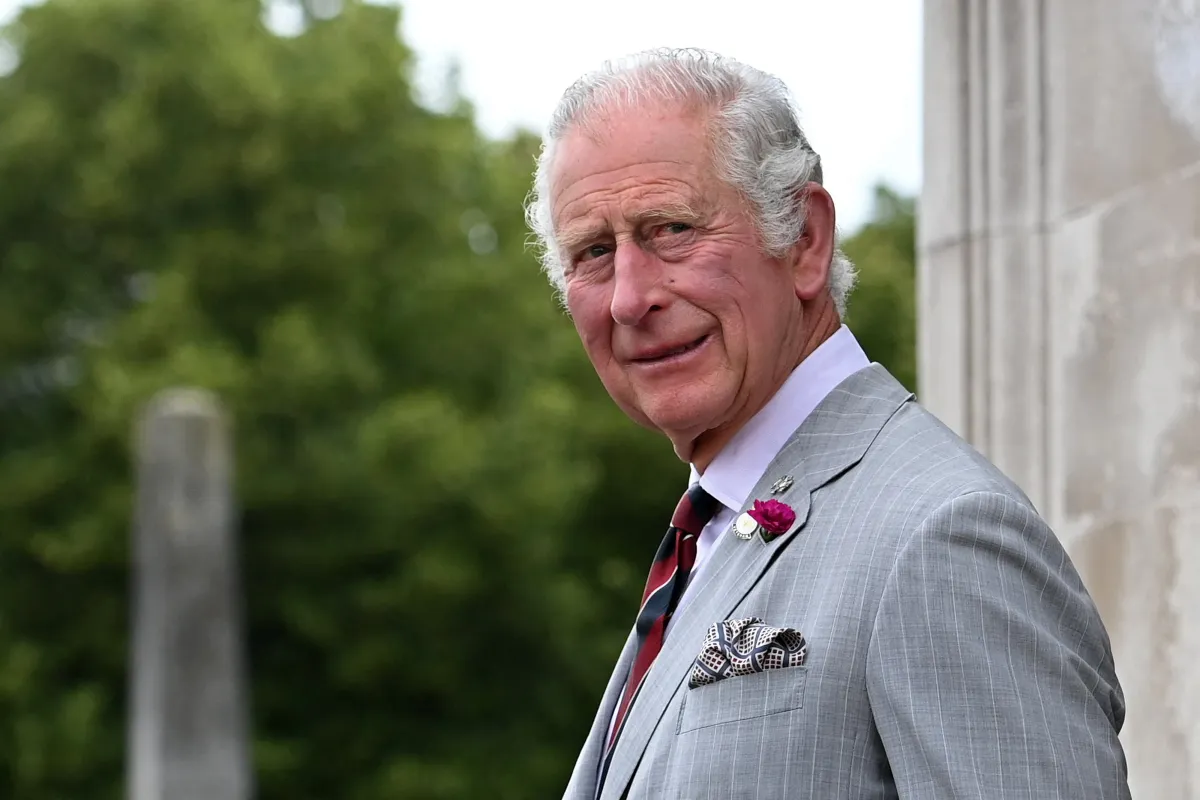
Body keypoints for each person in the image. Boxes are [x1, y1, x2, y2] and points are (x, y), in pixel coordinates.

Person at [525, 48, 1130, 800]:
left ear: (805, 240)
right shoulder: (713, 534)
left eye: (671, 229)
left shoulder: (941, 534)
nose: (628, 298)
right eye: (593, 252)